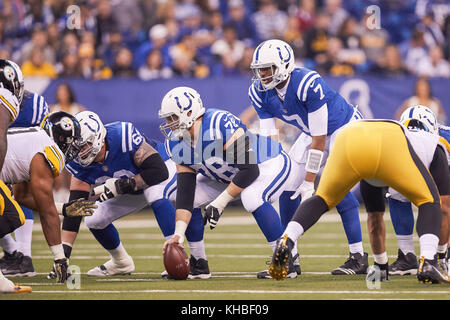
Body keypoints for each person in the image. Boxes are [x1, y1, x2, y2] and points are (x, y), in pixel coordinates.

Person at [270, 118, 449, 284]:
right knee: (429, 202)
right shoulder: (437, 146)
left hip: (348, 137)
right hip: (390, 144)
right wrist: (441, 255)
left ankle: (287, 239)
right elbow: (445, 209)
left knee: (323, 198)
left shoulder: (410, 138)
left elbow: (375, 222)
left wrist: (381, 268)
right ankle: (428, 261)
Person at [249, 39, 366, 277]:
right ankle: (289, 258)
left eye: (267, 68)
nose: (261, 74)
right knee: (286, 186)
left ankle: (358, 256)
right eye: (259, 69)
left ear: (283, 66)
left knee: (334, 188)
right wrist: (273, 173)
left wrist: (308, 181)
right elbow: (270, 138)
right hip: (311, 133)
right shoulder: (259, 92)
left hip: (346, 128)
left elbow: (320, 140)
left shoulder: (306, 83)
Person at [160, 86, 301, 279]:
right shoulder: (176, 143)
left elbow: (250, 170)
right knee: (175, 194)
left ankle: (285, 260)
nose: (168, 123)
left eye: (172, 118)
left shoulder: (218, 124)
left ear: (189, 113)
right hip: (227, 173)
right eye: (167, 119)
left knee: (251, 197)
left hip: (267, 161)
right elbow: (186, 192)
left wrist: (219, 203)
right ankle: (199, 264)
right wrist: (178, 234)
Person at [49, 111, 177, 277]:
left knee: (154, 193)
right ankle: (121, 262)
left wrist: (125, 185)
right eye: (75, 147)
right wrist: (63, 256)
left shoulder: (122, 136)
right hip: (128, 189)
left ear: (97, 138)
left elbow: (158, 172)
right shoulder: (78, 163)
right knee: (93, 217)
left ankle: (177, 251)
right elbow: (74, 209)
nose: (78, 152)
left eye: (83, 146)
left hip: (159, 172)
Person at [388, 106, 450, 276]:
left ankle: (440, 255)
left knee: (444, 205)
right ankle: (407, 256)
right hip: (409, 169)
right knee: (395, 193)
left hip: (442, 170)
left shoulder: (445, 139)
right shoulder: (394, 139)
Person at [0, 89, 50, 277]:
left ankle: (20, 255)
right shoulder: (33, 103)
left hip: (19, 160)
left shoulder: (32, 105)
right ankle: (15, 253)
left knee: (21, 192)